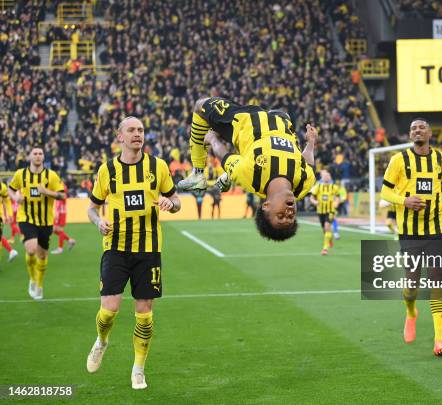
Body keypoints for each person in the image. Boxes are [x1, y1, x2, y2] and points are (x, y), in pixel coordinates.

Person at [85, 117, 181, 390]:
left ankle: (138, 369)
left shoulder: (157, 166)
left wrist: (169, 203)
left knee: (144, 312)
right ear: (120, 136)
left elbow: (177, 201)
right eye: (132, 130)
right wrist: (98, 222)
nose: (137, 134)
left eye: (140, 130)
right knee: (109, 310)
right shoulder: (108, 171)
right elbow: (92, 207)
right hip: (115, 247)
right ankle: (101, 341)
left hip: (148, 249)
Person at [178, 96, 317, 241]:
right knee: (282, 113)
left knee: (200, 106)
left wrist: (213, 139)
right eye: (291, 217)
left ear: (266, 206)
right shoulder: (303, 184)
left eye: (281, 216)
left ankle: (197, 174)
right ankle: (225, 177)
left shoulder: (252, 177)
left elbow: (224, 156)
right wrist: (311, 142)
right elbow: (308, 162)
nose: (289, 212)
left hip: (243, 120)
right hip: (281, 122)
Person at [380, 118, 442, 357]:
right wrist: (404, 200)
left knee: (437, 280)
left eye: (421, 127)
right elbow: (385, 190)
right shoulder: (398, 161)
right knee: (411, 286)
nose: (417, 130)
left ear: (429, 134)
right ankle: (411, 312)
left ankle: (439, 339)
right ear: (410, 135)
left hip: (438, 228)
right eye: (413, 128)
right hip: (409, 232)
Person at [8, 147, 66, 300]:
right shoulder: (21, 174)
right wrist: (15, 198)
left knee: (42, 255)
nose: (38, 156)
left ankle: (39, 283)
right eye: (35, 153)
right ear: (29, 156)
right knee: (31, 250)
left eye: (40, 153)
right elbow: (10, 189)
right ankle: (32, 279)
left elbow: (62, 195)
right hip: (26, 218)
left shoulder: (51, 176)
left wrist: (47, 192)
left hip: (45, 221)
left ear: (43, 157)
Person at [310, 170, 340, 255]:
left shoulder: (334, 187)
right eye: (325, 176)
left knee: (327, 227)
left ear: (330, 177)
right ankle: (329, 239)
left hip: (330, 211)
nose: (326, 177)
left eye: (328, 176)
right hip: (320, 211)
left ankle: (325, 248)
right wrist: (314, 202)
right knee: (325, 230)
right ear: (322, 178)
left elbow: (338, 197)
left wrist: (336, 203)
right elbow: (311, 198)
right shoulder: (318, 187)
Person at [51, 184, 76, 254]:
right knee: (55, 230)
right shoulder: (59, 195)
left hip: (61, 215)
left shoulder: (63, 196)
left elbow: (59, 204)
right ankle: (70, 240)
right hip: (59, 214)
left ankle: (60, 248)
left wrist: (57, 214)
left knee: (58, 230)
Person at [1, 181, 18, 263]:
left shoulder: (3, 187)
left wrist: (10, 214)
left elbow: (7, 200)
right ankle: (11, 251)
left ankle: (11, 251)